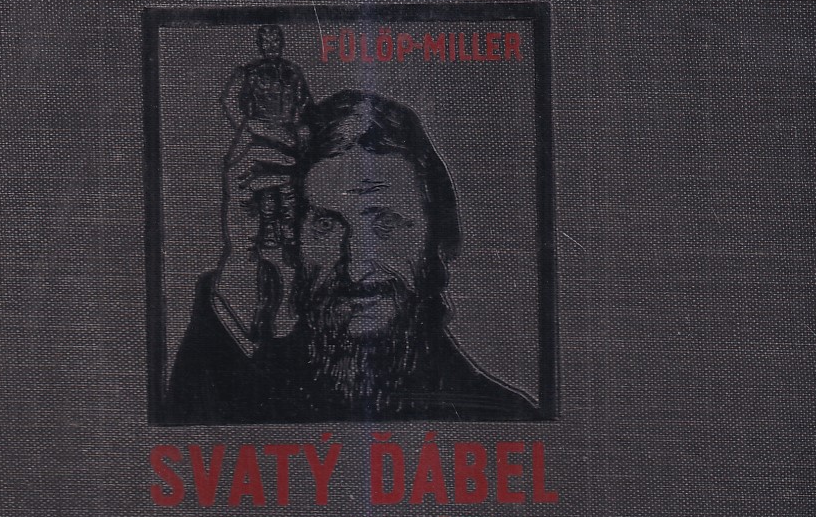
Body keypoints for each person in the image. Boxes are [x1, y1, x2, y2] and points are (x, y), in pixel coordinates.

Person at [165, 89, 538, 422]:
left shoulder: (504, 420)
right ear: (292, 239)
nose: (356, 267)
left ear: (435, 239)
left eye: (386, 224)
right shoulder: (242, 398)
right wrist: (239, 266)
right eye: (327, 225)